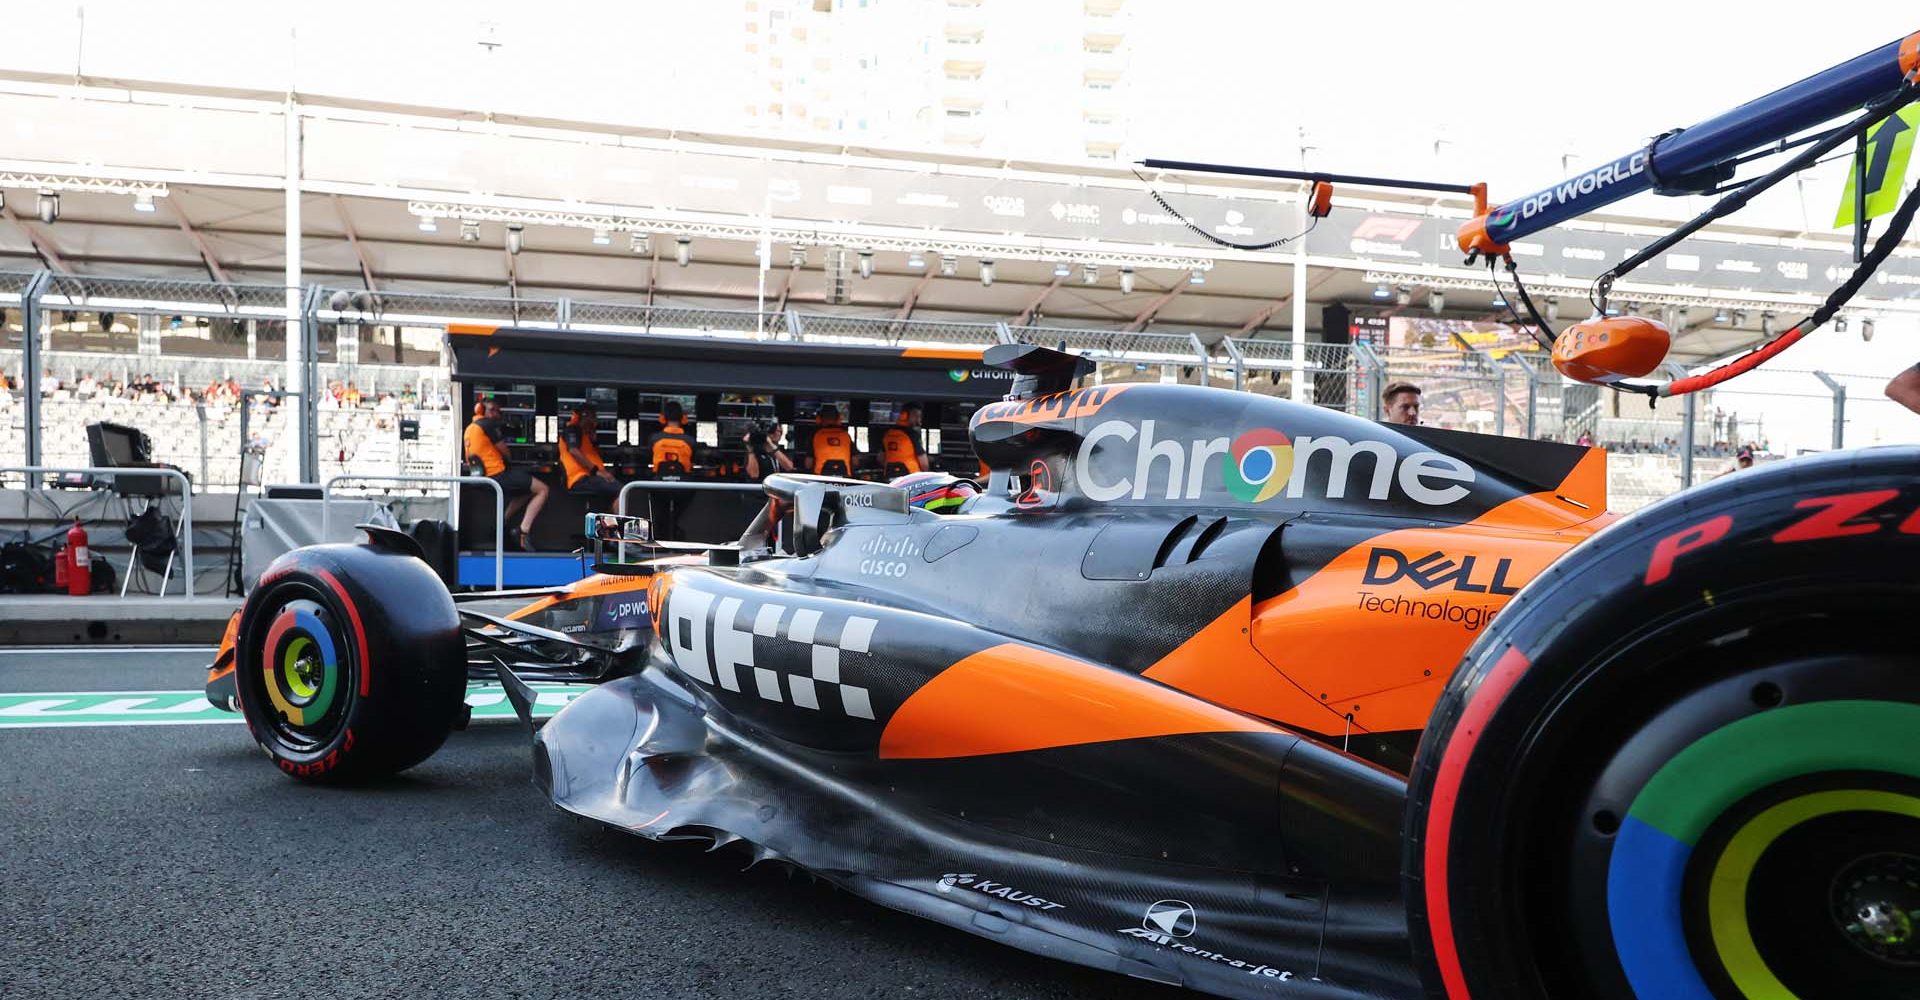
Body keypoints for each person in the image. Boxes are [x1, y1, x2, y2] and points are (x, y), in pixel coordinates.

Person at [464, 397, 548, 551]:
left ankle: (500, 524)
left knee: (527, 490)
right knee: (542, 489)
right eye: (492, 410)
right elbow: (504, 450)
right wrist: (512, 459)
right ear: (481, 410)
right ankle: (523, 532)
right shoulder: (487, 424)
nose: (496, 414)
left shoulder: (470, 428)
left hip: (483, 477)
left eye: (498, 411)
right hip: (497, 475)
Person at [647, 401, 698, 540]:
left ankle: (661, 532)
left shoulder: (654, 439)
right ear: (683, 418)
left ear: (662, 418)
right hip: (683, 488)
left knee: (660, 509)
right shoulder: (690, 441)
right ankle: (675, 525)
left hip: (659, 487)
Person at [559, 402, 620, 508]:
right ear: (585, 416)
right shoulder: (573, 430)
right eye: (593, 416)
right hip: (580, 478)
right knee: (621, 491)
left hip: (591, 477)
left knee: (615, 490)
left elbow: (593, 455)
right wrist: (595, 471)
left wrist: (592, 435)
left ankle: (609, 517)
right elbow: (574, 451)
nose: (595, 420)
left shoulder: (586, 435)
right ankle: (620, 518)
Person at [880, 402, 931, 475]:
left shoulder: (888, 434)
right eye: (916, 415)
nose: (918, 419)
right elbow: (923, 462)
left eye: (919, 416)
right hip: (911, 476)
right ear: (905, 415)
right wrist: (927, 474)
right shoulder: (912, 434)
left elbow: (880, 458)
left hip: (889, 474)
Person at [810, 405, 856, 476]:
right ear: (838, 419)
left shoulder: (815, 436)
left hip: (820, 478)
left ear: (819, 419)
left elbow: (808, 463)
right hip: (845, 478)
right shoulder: (846, 436)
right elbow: (855, 461)